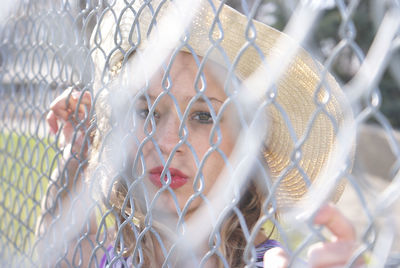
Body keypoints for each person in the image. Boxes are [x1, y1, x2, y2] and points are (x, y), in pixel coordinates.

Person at [38, 0, 362, 267]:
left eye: (204, 115)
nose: (165, 142)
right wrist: (79, 148)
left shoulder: (268, 261)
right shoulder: (119, 254)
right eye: (147, 111)